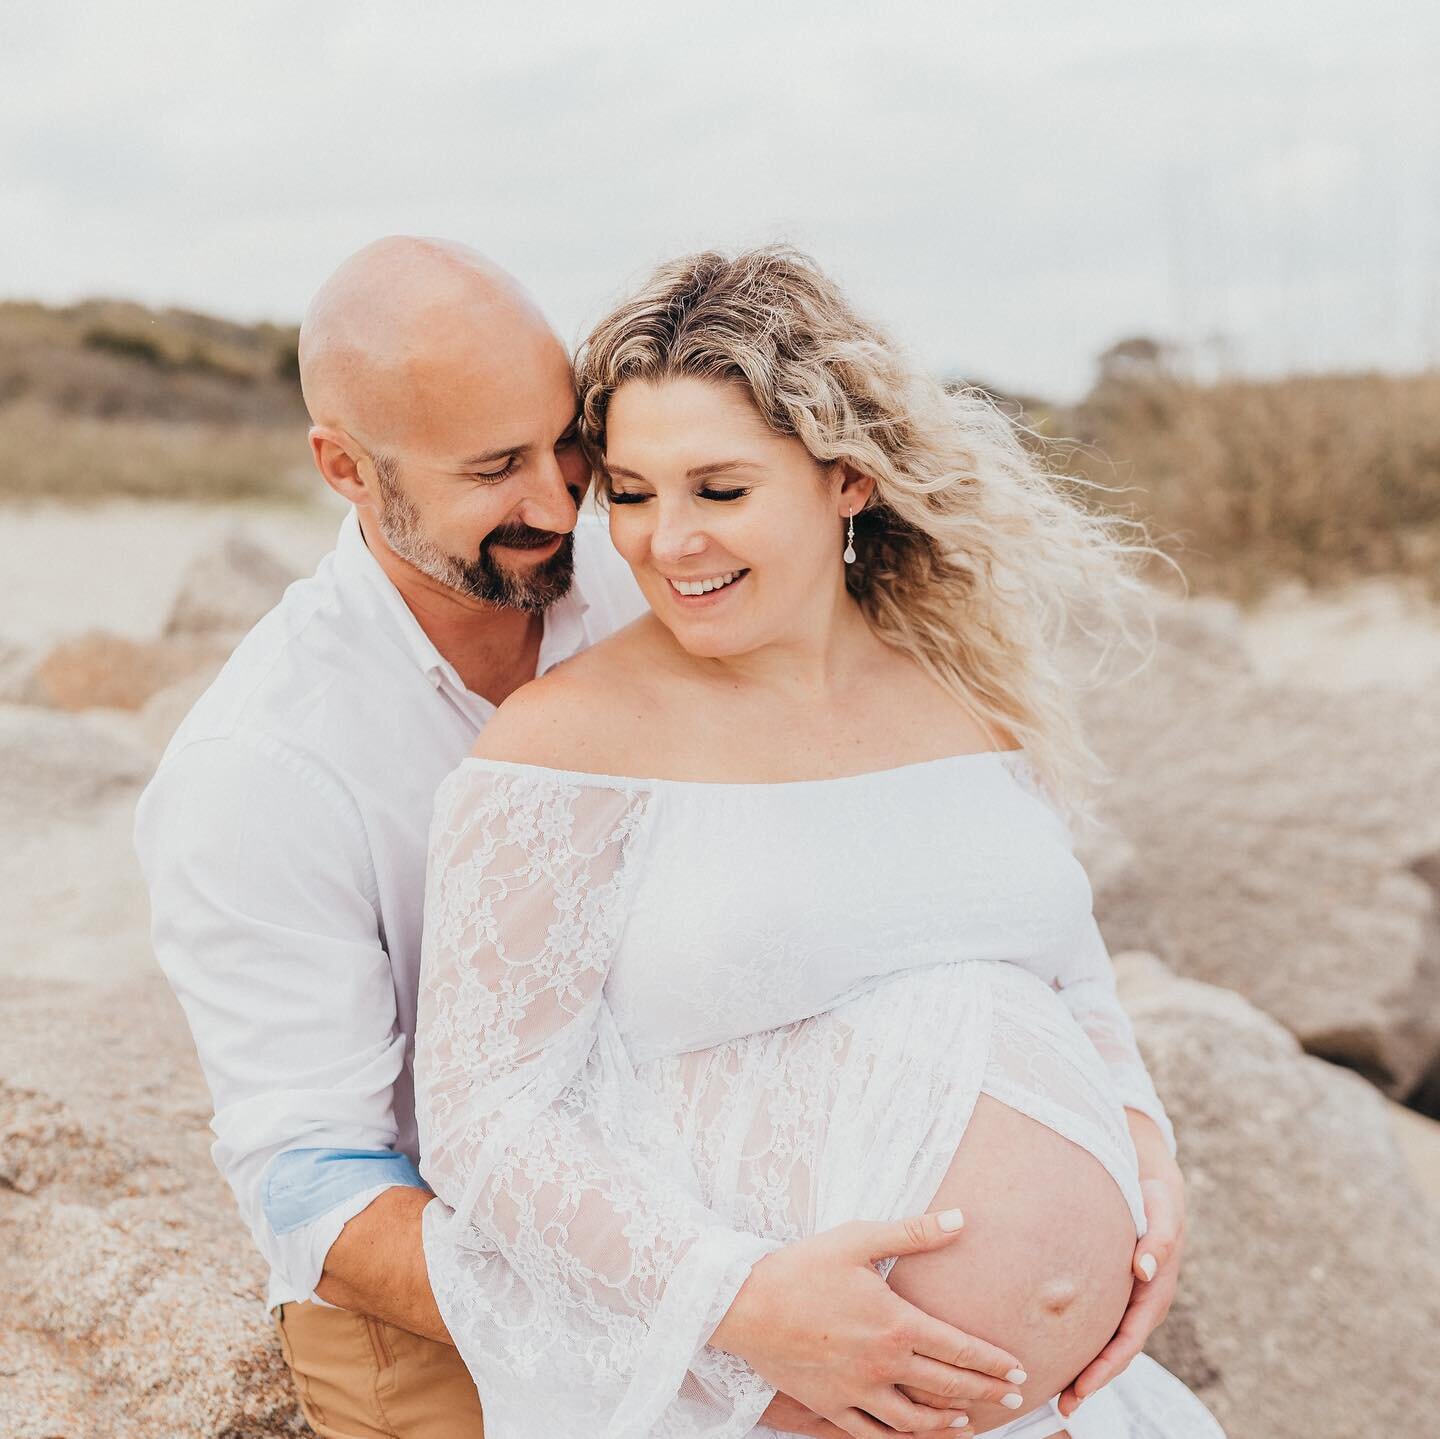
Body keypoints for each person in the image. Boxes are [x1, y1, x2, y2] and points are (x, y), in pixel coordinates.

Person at [136, 237, 1062, 1439]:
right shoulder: (259, 769)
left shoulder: (645, 572)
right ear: (346, 469)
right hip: (442, 1300)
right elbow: (313, 1180)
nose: (560, 501)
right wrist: (708, 1304)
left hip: (716, 1219)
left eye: (569, 444)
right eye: (493, 469)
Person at [413, 247, 1228, 1438]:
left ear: (846, 477)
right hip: (761, 1405)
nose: (665, 541)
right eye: (631, 492)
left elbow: (1069, 977)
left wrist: (1145, 1155)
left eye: (720, 489)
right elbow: (483, 1120)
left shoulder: (966, 691)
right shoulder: (568, 742)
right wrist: (739, 1298)